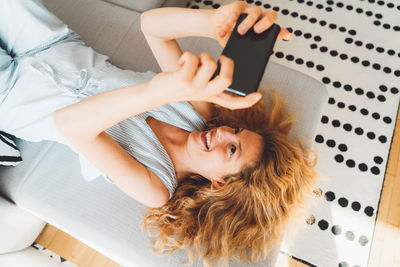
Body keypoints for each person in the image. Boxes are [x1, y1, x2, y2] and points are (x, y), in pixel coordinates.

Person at [0, 1, 317, 266]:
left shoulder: (156, 186)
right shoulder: (198, 111)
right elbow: (152, 26)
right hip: (54, 43)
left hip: (14, 97)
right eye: (235, 129)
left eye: (231, 149)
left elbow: (71, 125)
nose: (222, 132)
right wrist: (209, 21)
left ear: (220, 184)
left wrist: (156, 92)